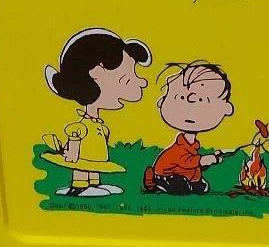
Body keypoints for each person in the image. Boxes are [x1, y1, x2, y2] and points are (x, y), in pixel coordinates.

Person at [41, 28, 151, 197]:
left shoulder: (97, 123)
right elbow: (75, 138)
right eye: (126, 79)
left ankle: (94, 184)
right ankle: (78, 186)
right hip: (80, 158)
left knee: (93, 166)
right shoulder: (82, 126)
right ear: (96, 73)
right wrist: (72, 153)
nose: (143, 83)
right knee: (83, 166)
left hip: (95, 159)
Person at [144, 62, 234, 195]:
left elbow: (192, 163)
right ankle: (157, 182)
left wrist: (210, 160)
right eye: (181, 97)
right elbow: (186, 161)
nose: (191, 106)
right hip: (165, 174)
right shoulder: (180, 147)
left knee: (201, 188)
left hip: (182, 173)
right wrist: (204, 160)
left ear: (226, 108)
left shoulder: (192, 145)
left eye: (202, 100)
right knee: (183, 189)